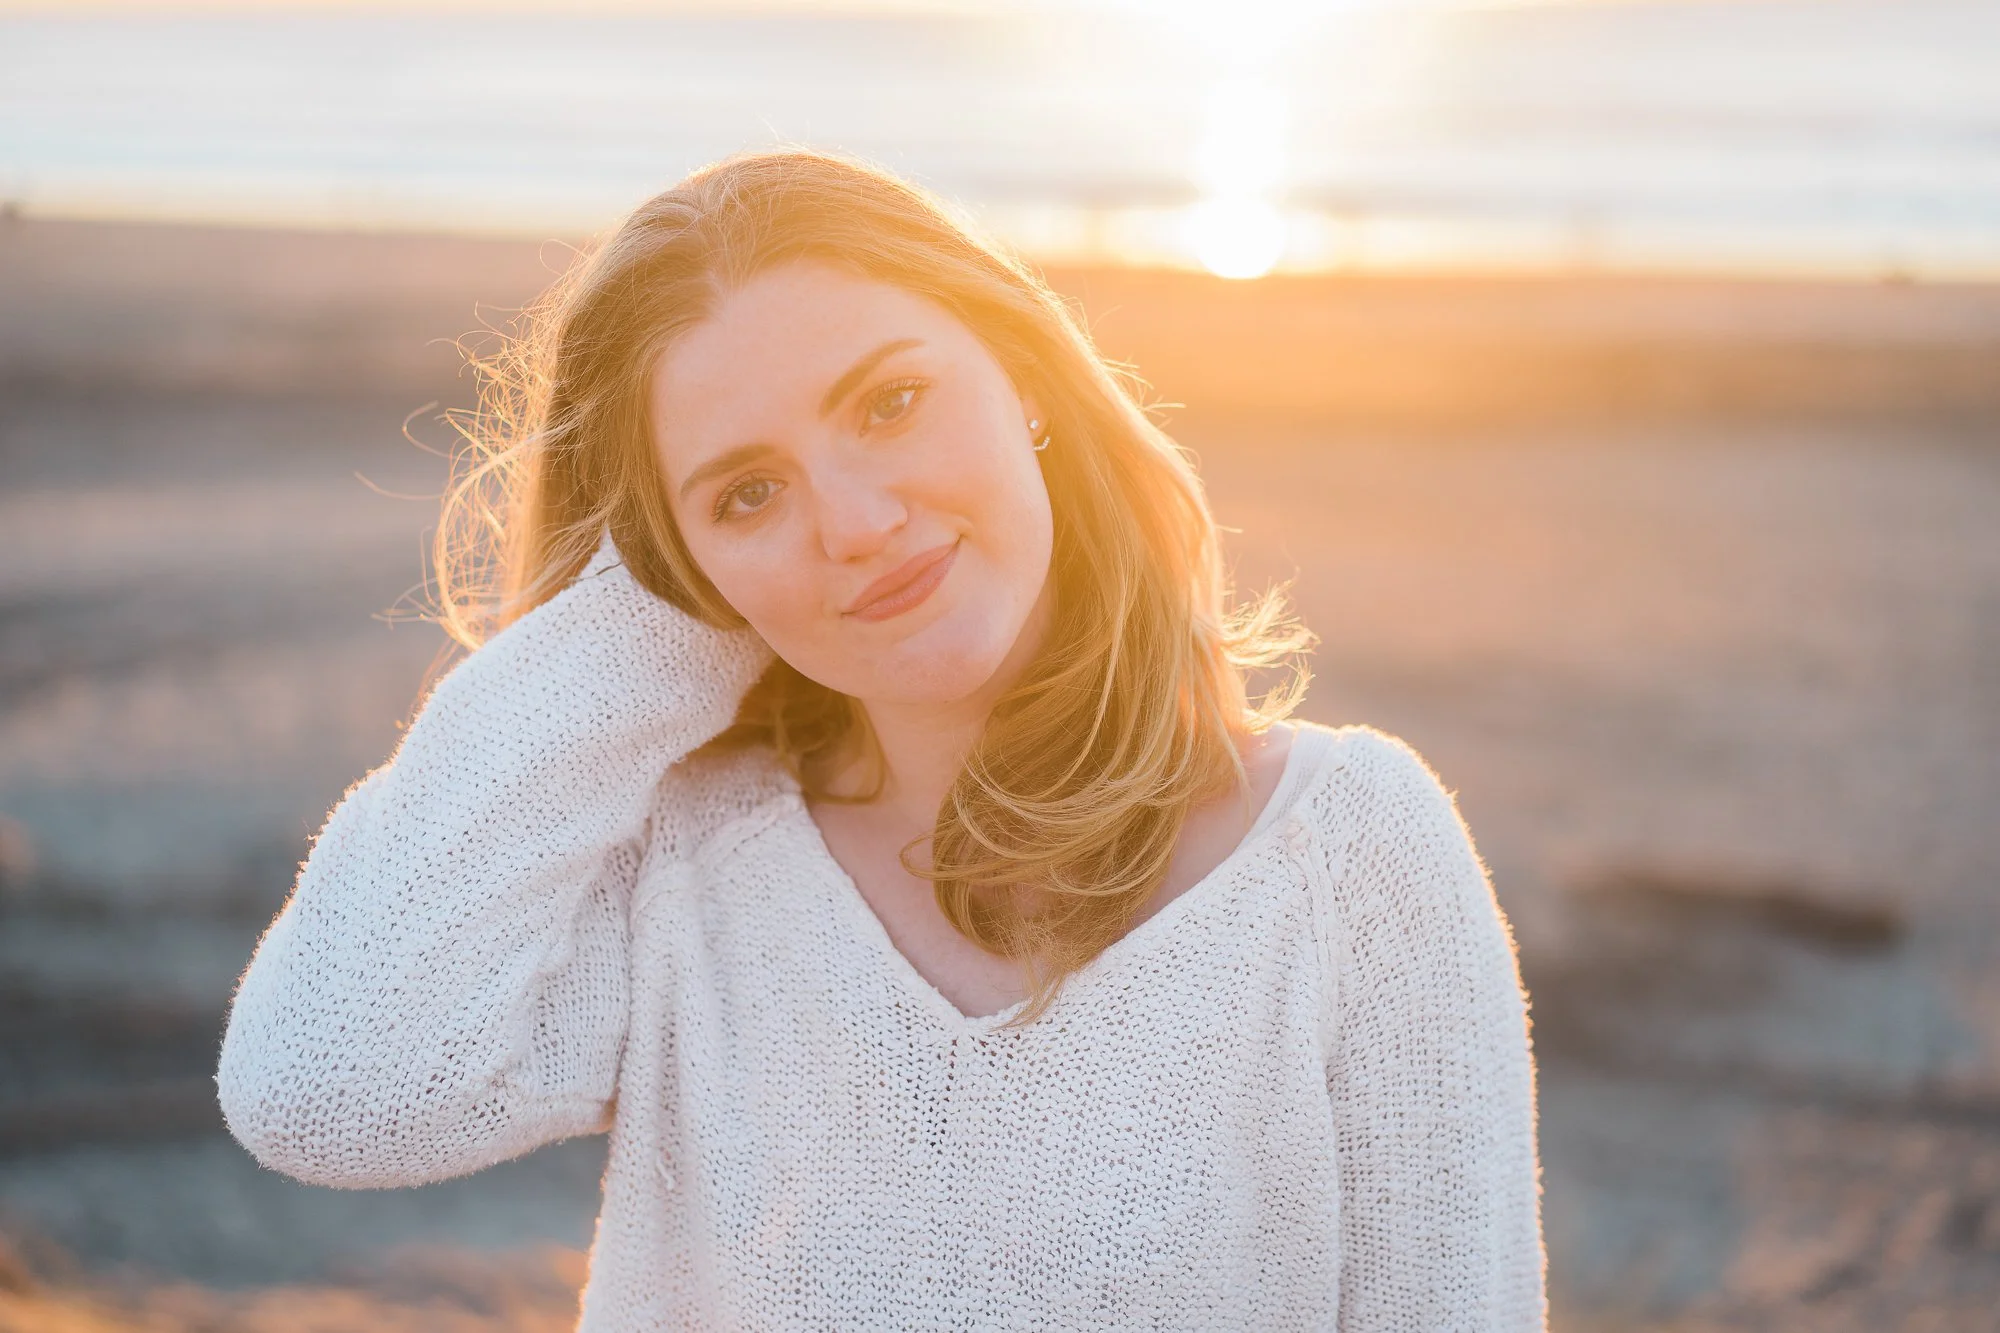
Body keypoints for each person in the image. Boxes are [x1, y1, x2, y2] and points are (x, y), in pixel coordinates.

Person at [216, 147, 1547, 1330]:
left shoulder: (1343, 854)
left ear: (1024, 376)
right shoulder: (686, 873)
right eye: (748, 493)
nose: (853, 520)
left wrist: (735, 530)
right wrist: (652, 626)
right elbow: (326, 1093)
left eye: (890, 404)